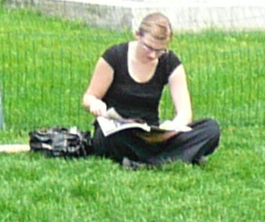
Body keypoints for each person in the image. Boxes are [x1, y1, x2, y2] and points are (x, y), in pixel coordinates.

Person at [80, 11, 222, 166]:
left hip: (152, 135)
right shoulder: (114, 56)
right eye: (148, 47)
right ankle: (177, 157)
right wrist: (95, 104)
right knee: (106, 137)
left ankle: (147, 163)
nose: (153, 55)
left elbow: (185, 112)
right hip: (120, 132)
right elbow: (89, 97)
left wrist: (171, 130)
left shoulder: (170, 63)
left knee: (211, 129)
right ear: (137, 35)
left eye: (160, 50)